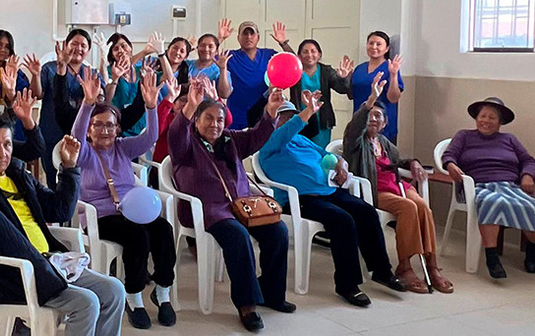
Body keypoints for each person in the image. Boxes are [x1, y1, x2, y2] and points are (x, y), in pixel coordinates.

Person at [0, 116, 126, 336]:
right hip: (10, 275)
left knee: (114, 290)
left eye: (7, 144)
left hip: (49, 263)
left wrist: (69, 168)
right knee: (87, 303)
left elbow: (60, 210)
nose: (2, 152)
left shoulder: (18, 175)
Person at [168, 79, 295, 332]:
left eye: (219, 119)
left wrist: (270, 112)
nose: (215, 124)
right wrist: (190, 106)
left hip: (242, 207)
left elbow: (257, 137)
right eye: (209, 119)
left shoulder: (230, 139)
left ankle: (272, 293)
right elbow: (175, 132)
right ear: (196, 120)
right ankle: (247, 304)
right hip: (207, 211)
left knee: (278, 231)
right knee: (238, 237)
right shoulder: (185, 144)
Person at [260, 93, 406, 307]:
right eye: (283, 117)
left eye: (291, 116)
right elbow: (285, 132)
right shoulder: (268, 142)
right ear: (273, 120)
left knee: (366, 211)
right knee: (342, 220)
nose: (289, 121)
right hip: (300, 199)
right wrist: (306, 113)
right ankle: (348, 285)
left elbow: (328, 156)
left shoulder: (301, 140)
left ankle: (381, 271)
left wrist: (341, 164)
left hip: (328, 190)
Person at [71, 69, 176, 329]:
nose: (105, 130)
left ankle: (162, 291)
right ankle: (133, 296)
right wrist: (87, 104)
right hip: (101, 216)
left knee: (163, 229)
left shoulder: (123, 147)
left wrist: (151, 107)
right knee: (138, 237)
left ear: (118, 129)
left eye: (110, 125)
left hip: (132, 212)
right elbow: (75, 135)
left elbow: (151, 137)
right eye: (98, 125)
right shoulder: (83, 153)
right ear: (89, 130)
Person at [343, 72, 453, 294]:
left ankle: (431, 266)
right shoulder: (356, 141)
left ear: (384, 125)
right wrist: (371, 100)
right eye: (370, 116)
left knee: (423, 207)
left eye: (378, 117)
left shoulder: (384, 142)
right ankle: (404, 266)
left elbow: (398, 161)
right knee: (408, 207)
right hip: (376, 190)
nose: (373, 119)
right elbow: (356, 125)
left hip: (398, 186)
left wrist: (413, 163)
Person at [442, 97, 535, 278]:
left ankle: (531, 252)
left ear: (500, 123)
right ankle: (492, 258)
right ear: (476, 118)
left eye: (492, 117)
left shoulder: (509, 139)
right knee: (490, 201)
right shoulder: (464, 136)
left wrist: (527, 176)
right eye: (483, 116)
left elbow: (528, 160)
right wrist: (451, 166)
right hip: (477, 186)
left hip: (510, 186)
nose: (486, 120)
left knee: (531, 205)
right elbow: (449, 155)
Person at [40, 29, 104, 188]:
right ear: (65, 46)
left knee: (79, 182)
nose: (79, 48)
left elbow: (102, 99)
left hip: (81, 137)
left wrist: (99, 95)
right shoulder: (49, 69)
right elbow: (38, 93)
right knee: (53, 180)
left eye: (83, 45)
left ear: (88, 51)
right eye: (74, 43)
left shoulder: (91, 73)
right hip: (51, 131)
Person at [217, 19, 294, 129]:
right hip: (237, 114)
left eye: (252, 33)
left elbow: (294, 63)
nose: (248, 37)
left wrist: (283, 43)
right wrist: (219, 39)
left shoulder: (269, 55)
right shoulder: (229, 57)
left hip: (264, 113)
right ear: (238, 38)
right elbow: (209, 59)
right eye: (245, 33)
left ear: (258, 37)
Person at [0, 29, 39, 141]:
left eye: (7, 47)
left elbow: (27, 97)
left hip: (14, 125)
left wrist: (35, 76)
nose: (2, 49)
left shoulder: (15, 71)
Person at [289, 39, 353, 148]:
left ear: (319, 55)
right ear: (299, 56)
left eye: (313, 51)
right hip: (300, 119)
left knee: (320, 155)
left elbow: (342, 89)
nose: (309, 55)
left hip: (321, 121)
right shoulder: (294, 71)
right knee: (300, 153)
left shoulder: (326, 71)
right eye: (305, 52)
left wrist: (343, 78)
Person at [349, 31, 403, 144]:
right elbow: (351, 94)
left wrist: (393, 75)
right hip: (360, 121)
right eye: (371, 43)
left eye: (378, 44)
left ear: (387, 48)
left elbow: (393, 98)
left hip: (382, 124)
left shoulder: (390, 68)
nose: (374, 47)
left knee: (381, 158)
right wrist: (345, 77)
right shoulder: (359, 69)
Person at [186, 34, 233, 99]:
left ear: (216, 51)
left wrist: (223, 69)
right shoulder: (187, 64)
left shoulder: (221, 71)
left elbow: (225, 94)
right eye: (202, 46)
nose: (206, 49)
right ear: (197, 48)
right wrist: (186, 49)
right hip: (186, 107)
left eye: (210, 46)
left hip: (208, 108)